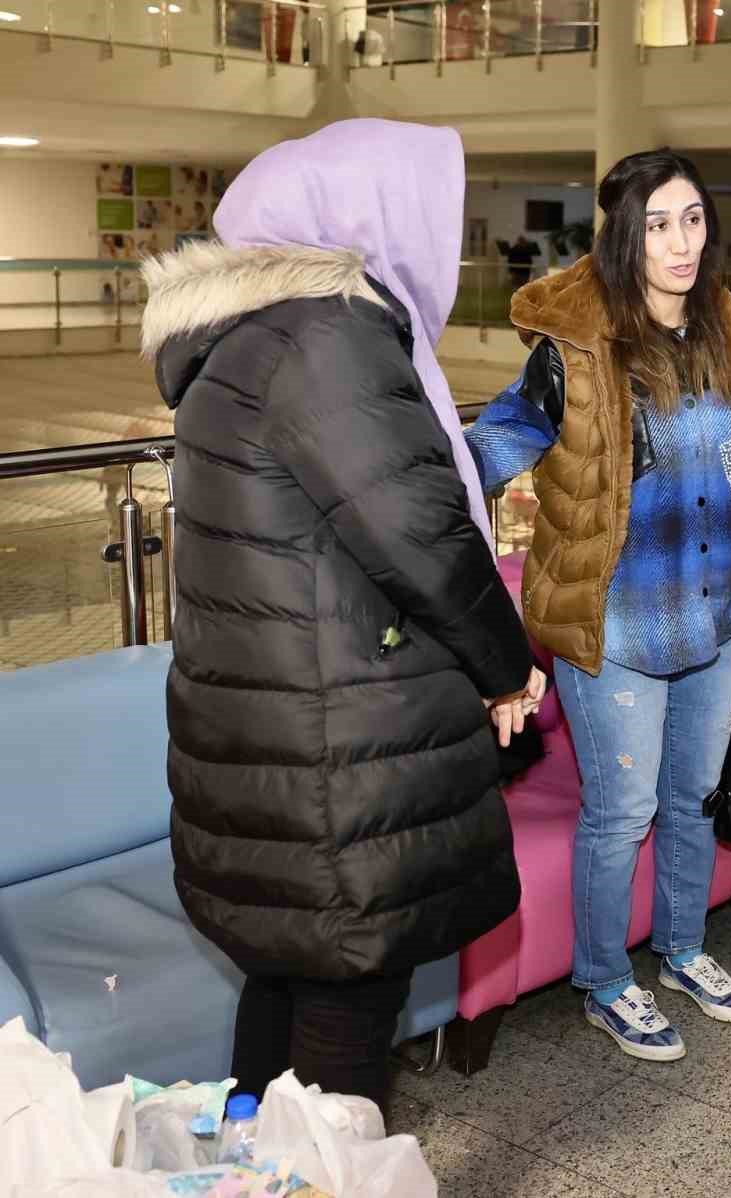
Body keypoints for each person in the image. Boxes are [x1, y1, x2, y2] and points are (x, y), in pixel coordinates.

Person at [140, 118, 545, 1115]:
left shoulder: (248, 334)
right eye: (426, 212)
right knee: (345, 1023)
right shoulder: (327, 336)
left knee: (285, 975)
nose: (440, 244)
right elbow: (426, 538)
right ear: (364, 216)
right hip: (338, 747)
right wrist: (506, 666)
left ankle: (247, 1166)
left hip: (273, 733)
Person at [464, 148, 731, 1063]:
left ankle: (681, 950)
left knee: (691, 802)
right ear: (625, 236)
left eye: (692, 220)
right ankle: (604, 979)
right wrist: (423, 485)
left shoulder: (722, 326)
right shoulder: (580, 346)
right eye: (658, 224)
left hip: (712, 620)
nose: (680, 242)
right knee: (621, 813)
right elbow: (500, 438)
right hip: (618, 628)